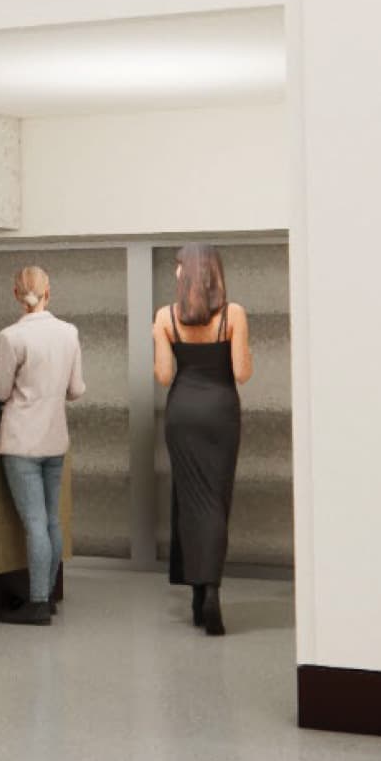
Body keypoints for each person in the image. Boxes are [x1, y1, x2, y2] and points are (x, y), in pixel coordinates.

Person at [154, 244, 251, 637]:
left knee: (190, 499)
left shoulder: (165, 317)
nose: (176, 275)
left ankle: (197, 592)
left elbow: (163, 376)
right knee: (215, 500)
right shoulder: (234, 314)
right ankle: (210, 590)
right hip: (220, 412)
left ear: (192, 272)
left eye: (179, 268)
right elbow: (242, 372)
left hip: (183, 412)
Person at [0, 265, 86, 627]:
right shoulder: (69, 333)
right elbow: (76, 390)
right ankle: (48, 594)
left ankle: (38, 602)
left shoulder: (11, 337)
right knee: (51, 521)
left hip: (21, 441)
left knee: (34, 523)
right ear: (49, 292)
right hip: (54, 438)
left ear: (16, 294)